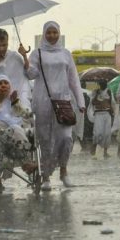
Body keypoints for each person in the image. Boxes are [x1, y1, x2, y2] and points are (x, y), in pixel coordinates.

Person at [24, 21, 85, 191]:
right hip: (42, 101)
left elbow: (73, 79)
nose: (51, 36)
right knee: (45, 140)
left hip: (63, 102)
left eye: (54, 32)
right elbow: (30, 74)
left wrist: (80, 101)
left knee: (65, 138)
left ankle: (64, 171)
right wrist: (24, 57)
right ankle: (45, 176)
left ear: (59, 33)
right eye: (48, 33)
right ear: (44, 34)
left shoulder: (66, 54)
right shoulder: (37, 53)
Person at [0, 74, 34, 193]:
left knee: (16, 127)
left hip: (12, 141)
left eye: (6, 83)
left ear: (10, 86)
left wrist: (15, 103)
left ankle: (26, 163)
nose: (3, 85)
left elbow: (27, 117)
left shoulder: (15, 100)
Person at [87, 80, 116, 159]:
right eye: (102, 84)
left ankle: (105, 152)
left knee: (107, 134)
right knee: (97, 133)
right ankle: (94, 146)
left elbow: (112, 103)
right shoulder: (95, 92)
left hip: (107, 114)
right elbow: (92, 102)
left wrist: (113, 113)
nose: (103, 85)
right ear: (99, 84)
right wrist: (97, 98)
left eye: (104, 84)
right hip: (98, 114)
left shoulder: (109, 92)